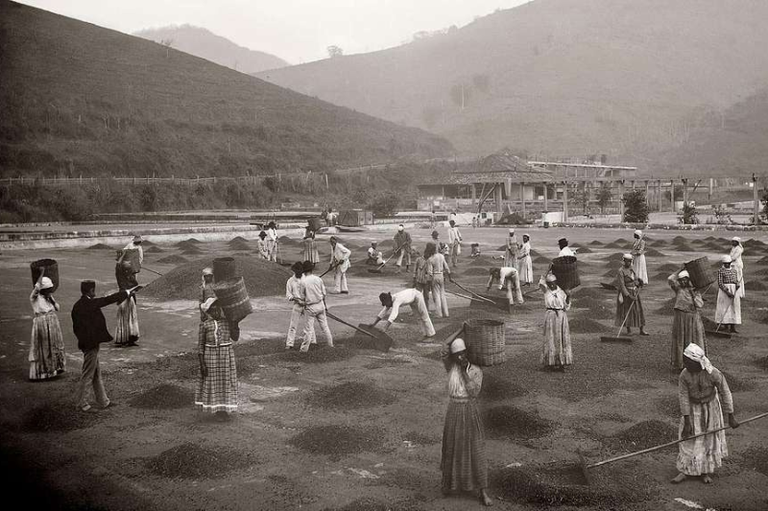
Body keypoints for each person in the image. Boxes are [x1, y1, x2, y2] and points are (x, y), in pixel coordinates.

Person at [671, 343, 739, 485]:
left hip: (711, 407)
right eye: (685, 361)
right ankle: (684, 470)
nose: (686, 365)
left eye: (689, 362)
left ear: (698, 363)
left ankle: (705, 471)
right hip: (692, 407)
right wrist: (687, 421)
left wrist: (730, 416)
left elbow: (725, 392)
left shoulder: (713, 373)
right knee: (688, 438)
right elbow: (683, 397)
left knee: (709, 439)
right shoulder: (684, 375)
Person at [440, 337, 492, 506]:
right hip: (454, 410)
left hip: (469, 410)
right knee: (451, 446)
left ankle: (482, 491)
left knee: (475, 448)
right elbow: (444, 347)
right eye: (457, 355)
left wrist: (464, 371)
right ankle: (448, 485)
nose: (460, 358)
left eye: (463, 354)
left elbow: (474, 392)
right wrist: (460, 331)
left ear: (467, 353)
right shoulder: (450, 367)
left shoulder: (476, 371)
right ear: (453, 357)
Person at [72, 280, 135, 411]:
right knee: (88, 373)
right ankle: (81, 403)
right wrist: (127, 293)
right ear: (91, 291)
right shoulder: (90, 304)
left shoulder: (78, 305)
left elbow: (76, 327)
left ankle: (103, 401)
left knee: (95, 373)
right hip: (91, 344)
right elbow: (108, 300)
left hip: (86, 343)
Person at [196, 297, 239, 419]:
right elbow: (200, 346)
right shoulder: (205, 325)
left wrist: (235, 323)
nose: (216, 312)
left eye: (218, 309)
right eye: (213, 309)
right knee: (213, 383)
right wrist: (202, 364)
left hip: (226, 357)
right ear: (208, 311)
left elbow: (235, 337)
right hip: (211, 358)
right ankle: (216, 410)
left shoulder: (227, 322)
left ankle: (224, 410)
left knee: (226, 382)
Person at [29, 272, 65, 381]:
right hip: (42, 324)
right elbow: (37, 287)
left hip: (52, 323)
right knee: (43, 347)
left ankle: (53, 369)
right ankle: (42, 372)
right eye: (48, 289)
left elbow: (58, 308)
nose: (50, 291)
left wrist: (52, 301)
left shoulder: (49, 298)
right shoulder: (35, 297)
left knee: (53, 346)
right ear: (43, 289)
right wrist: (41, 273)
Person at [668, 270, 706, 370]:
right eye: (680, 281)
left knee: (694, 339)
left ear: (688, 280)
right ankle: (680, 364)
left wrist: (693, 294)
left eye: (684, 280)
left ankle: (695, 363)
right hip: (680, 318)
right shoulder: (678, 289)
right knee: (681, 339)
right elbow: (670, 279)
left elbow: (700, 305)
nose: (682, 282)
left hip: (692, 318)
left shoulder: (695, 291)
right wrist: (680, 269)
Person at [370, 289, 435, 339]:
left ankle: (431, 335)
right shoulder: (390, 300)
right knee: (418, 317)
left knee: (424, 316)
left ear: (388, 300)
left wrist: (385, 328)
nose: (386, 305)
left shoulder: (397, 300)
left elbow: (394, 314)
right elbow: (383, 312)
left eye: (386, 303)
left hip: (417, 295)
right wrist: (374, 324)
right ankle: (425, 335)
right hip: (412, 300)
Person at [539, 273, 572, 371]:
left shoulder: (562, 292)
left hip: (561, 317)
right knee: (550, 338)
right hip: (550, 316)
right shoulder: (546, 291)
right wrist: (547, 271)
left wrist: (569, 296)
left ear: (556, 282)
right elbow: (541, 282)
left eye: (553, 283)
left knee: (561, 339)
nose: (551, 285)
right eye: (549, 283)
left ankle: (562, 363)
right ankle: (550, 363)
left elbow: (567, 307)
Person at [299, 261, 334, 351]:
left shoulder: (303, 282)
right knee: (325, 327)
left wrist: (302, 308)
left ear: (304, 271)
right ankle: (330, 345)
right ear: (311, 269)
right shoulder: (318, 279)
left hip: (311, 307)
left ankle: (304, 350)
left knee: (308, 330)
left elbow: (302, 298)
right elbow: (324, 294)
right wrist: (325, 307)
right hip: (320, 304)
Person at [615, 254, 649, 336]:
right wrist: (628, 295)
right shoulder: (621, 271)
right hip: (626, 294)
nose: (629, 262)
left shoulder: (632, 269)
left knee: (638, 310)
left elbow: (635, 279)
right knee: (627, 311)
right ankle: (628, 330)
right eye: (627, 261)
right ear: (624, 261)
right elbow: (622, 286)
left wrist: (639, 282)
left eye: (630, 261)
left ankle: (641, 329)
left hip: (635, 292)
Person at [114, 258, 140, 347]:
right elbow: (118, 268)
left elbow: (136, 283)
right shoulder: (120, 276)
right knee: (125, 319)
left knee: (131, 318)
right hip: (124, 298)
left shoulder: (131, 276)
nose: (129, 270)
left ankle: (131, 339)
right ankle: (123, 340)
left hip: (131, 298)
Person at [426, 242, 452, 318]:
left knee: (436, 295)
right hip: (441, 275)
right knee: (442, 295)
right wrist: (449, 277)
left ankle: (439, 314)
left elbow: (430, 273)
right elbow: (447, 268)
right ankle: (446, 313)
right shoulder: (441, 256)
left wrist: (428, 282)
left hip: (435, 276)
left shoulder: (430, 259)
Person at [715, 255, 741, 334]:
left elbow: (736, 280)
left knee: (734, 307)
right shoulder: (720, 271)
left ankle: (733, 327)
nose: (727, 265)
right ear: (723, 263)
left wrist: (737, 285)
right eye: (725, 263)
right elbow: (720, 283)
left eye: (728, 263)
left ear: (730, 263)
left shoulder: (734, 270)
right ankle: (725, 326)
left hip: (734, 291)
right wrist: (727, 292)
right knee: (724, 307)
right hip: (724, 292)